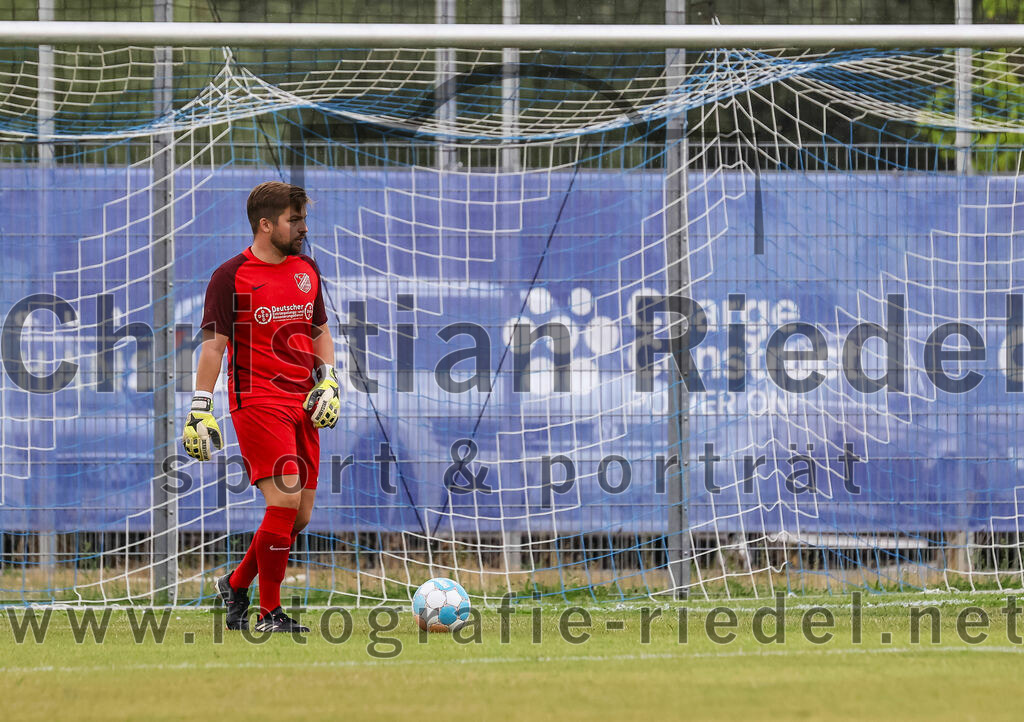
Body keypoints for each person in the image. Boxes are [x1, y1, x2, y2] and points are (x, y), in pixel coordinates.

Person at [181, 181, 340, 633]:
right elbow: (213, 348)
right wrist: (199, 406)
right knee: (285, 498)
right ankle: (269, 612)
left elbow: (318, 331)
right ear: (266, 225)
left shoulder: (306, 269)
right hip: (256, 399)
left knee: (299, 516)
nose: (303, 228)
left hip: (303, 402)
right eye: (295, 220)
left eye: (303, 219)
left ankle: (235, 584)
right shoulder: (230, 276)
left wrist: (329, 380)